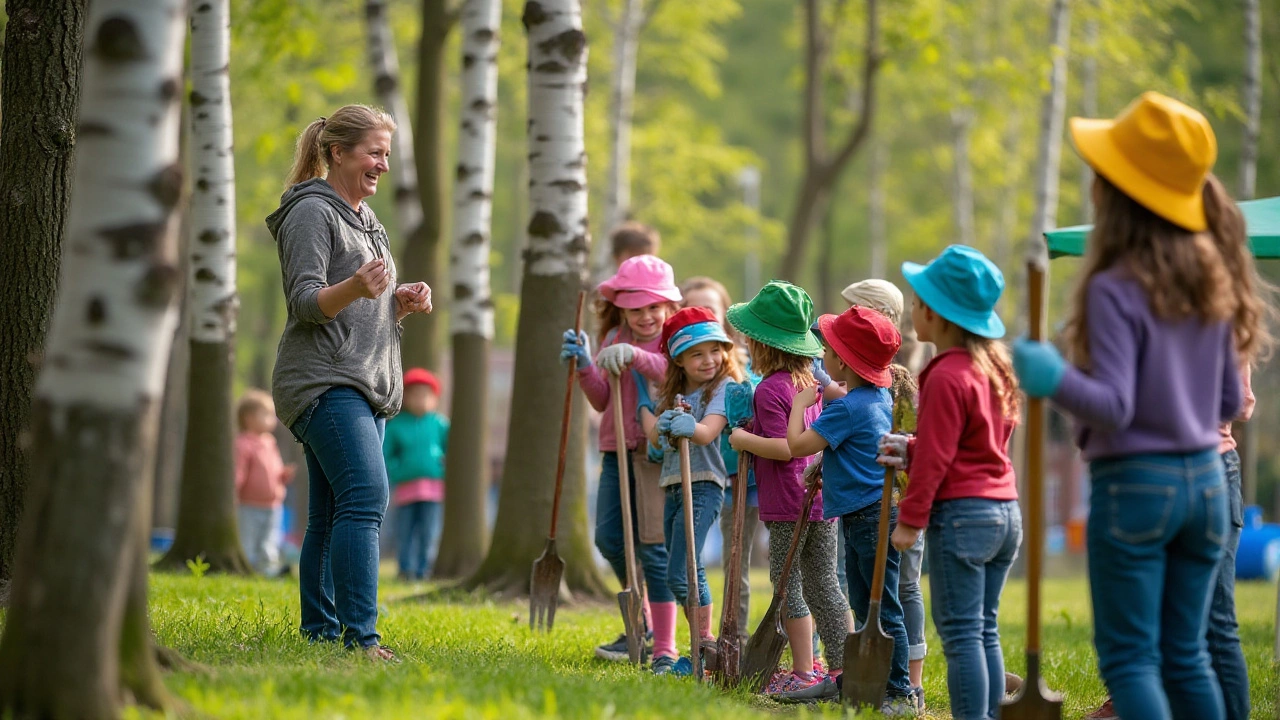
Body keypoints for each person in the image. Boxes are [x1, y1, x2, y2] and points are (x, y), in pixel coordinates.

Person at [1013, 93, 1269, 720]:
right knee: (1188, 658)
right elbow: (1233, 400)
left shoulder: (1113, 286)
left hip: (1137, 485)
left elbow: (1115, 407)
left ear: (1118, 193)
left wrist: (1051, 376)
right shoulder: (1214, 276)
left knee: (1131, 660)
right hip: (1210, 481)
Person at [268, 104, 432, 660]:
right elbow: (307, 301)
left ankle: (320, 631)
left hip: (363, 382)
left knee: (330, 512)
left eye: (386, 154)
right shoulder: (312, 213)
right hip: (323, 381)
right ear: (337, 152)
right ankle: (361, 638)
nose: (382, 164)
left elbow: (363, 302)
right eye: (373, 152)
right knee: (365, 498)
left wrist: (398, 303)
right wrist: (359, 289)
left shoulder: (365, 218)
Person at [878, 244, 1021, 720]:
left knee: (960, 635)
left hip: (962, 518)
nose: (913, 311)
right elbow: (973, 445)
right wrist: (912, 448)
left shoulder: (944, 375)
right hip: (1004, 512)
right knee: (984, 629)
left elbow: (940, 459)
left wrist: (910, 522)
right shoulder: (993, 370)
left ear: (936, 315)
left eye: (918, 303)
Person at [780, 307, 918, 714]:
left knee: (881, 605)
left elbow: (796, 445)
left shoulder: (845, 407)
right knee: (866, 601)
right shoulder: (876, 397)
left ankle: (901, 692)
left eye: (828, 347)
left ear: (841, 361)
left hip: (868, 517)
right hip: (871, 512)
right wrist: (829, 470)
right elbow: (858, 450)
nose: (822, 352)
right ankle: (873, 683)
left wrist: (799, 404)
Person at [726, 281, 850, 694]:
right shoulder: (811, 383)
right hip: (820, 500)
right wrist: (757, 429)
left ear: (763, 345)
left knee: (787, 586)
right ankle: (842, 667)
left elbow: (783, 448)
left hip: (786, 505)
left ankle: (802, 671)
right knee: (826, 584)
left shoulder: (770, 388)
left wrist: (745, 440)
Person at [561, 254, 681, 669]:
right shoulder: (613, 337)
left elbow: (673, 373)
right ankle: (641, 621)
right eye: (637, 308)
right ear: (622, 306)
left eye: (654, 307)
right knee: (609, 540)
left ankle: (665, 647)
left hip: (653, 455)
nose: (646, 316)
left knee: (654, 548)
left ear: (668, 305)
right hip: (614, 453)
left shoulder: (674, 338)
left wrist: (636, 356)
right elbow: (600, 400)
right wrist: (584, 366)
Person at [842, 279, 930, 709]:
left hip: (896, 503)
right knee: (870, 592)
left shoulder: (900, 381)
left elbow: (913, 440)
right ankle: (876, 678)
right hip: (868, 503)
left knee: (902, 589)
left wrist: (908, 505)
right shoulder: (860, 378)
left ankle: (909, 684)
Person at [648, 307, 745, 672]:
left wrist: (687, 424)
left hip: (704, 484)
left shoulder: (722, 387)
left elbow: (706, 432)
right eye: (696, 354)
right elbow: (657, 447)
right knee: (679, 571)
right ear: (679, 360)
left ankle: (704, 649)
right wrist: (663, 426)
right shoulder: (673, 392)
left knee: (685, 570)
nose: (709, 360)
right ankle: (701, 649)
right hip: (673, 485)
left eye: (715, 350)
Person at [680, 276, 759, 643]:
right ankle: (733, 641)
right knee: (732, 565)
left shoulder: (745, 363)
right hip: (714, 478)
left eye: (710, 309)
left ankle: (806, 646)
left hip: (755, 478)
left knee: (783, 564)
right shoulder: (689, 371)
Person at [383, 368, 449, 581]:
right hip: (405, 488)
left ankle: (424, 570)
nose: (420, 399)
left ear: (435, 399)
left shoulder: (440, 424)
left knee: (429, 532)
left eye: (425, 395)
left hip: (433, 489)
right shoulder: (397, 426)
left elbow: (452, 451)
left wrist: (443, 468)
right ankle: (405, 569)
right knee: (405, 531)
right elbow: (386, 453)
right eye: (415, 394)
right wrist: (396, 469)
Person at [235, 389, 296, 576]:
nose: (272, 419)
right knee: (249, 538)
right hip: (249, 504)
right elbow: (239, 471)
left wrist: (282, 475)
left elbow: (273, 469)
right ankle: (248, 567)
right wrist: (235, 490)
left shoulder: (270, 442)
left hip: (273, 505)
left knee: (270, 538)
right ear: (248, 418)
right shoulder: (243, 443)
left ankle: (268, 569)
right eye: (266, 414)